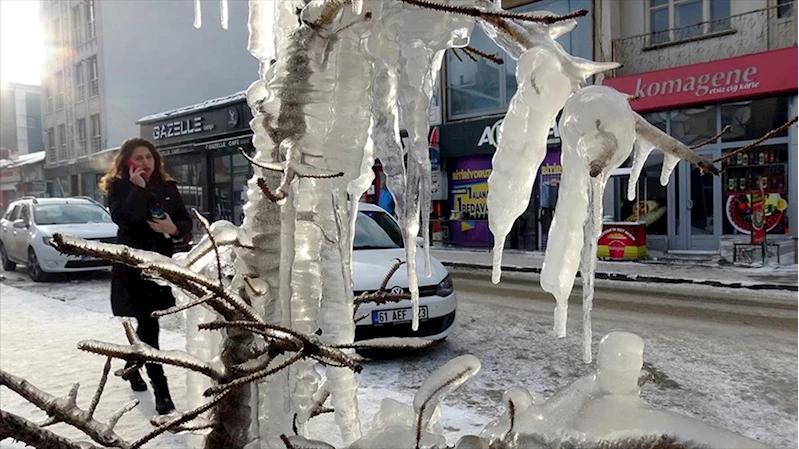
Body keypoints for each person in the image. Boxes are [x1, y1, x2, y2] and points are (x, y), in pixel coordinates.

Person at [98, 137, 192, 415]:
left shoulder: (168, 187)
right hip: (131, 269)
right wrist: (137, 189)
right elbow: (123, 219)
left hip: (160, 268)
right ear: (127, 161)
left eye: (149, 157)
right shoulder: (118, 188)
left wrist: (173, 228)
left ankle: (132, 365)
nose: (144, 163)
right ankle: (162, 394)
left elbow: (185, 224)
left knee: (148, 324)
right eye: (138, 158)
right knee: (149, 327)